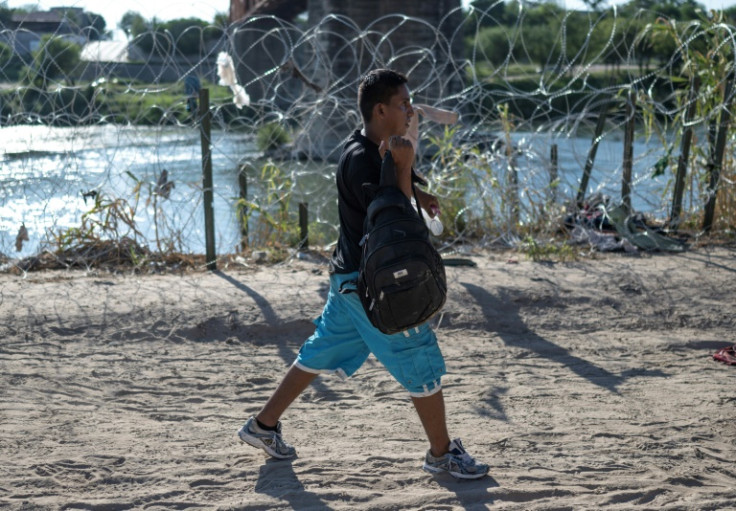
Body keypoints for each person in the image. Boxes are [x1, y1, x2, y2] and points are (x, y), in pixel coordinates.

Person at [238, 69, 489, 479]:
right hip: (370, 284)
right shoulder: (362, 160)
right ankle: (441, 454)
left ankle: (262, 426)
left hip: (347, 277)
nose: (412, 111)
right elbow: (390, 214)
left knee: (322, 350)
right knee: (417, 350)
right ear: (381, 109)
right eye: (404, 104)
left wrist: (416, 186)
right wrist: (405, 169)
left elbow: (394, 195)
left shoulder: (369, 147)